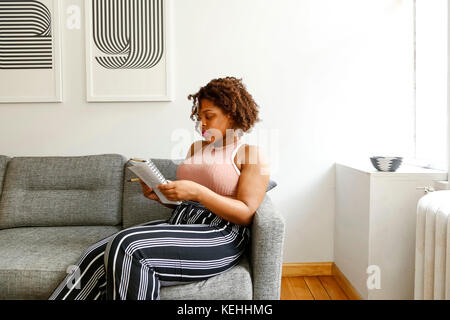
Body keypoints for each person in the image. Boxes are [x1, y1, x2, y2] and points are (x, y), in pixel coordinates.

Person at [49, 76, 270, 300]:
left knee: (128, 246)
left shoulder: (250, 154)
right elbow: (186, 201)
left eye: (209, 116)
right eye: (199, 116)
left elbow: (246, 213)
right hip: (182, 221)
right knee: (95, 254)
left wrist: (198, 192)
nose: (201, 124)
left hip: (221, 234)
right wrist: (161, 196)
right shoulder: (196, 147)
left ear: (230, 114)